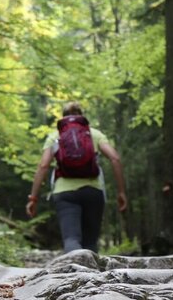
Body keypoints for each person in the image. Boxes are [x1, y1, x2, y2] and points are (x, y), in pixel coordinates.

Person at [26, 102, 127, 252]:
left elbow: (43, 166)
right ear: (82, 115)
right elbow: (115, 159)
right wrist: (121, 192)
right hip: (93, 191)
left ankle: (75, 272)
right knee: (91, 243)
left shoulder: (55, 136)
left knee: (71, 239)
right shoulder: (94, 134)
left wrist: (33, 198)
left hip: (65, 193)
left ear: (63, 117)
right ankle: (92, 275)